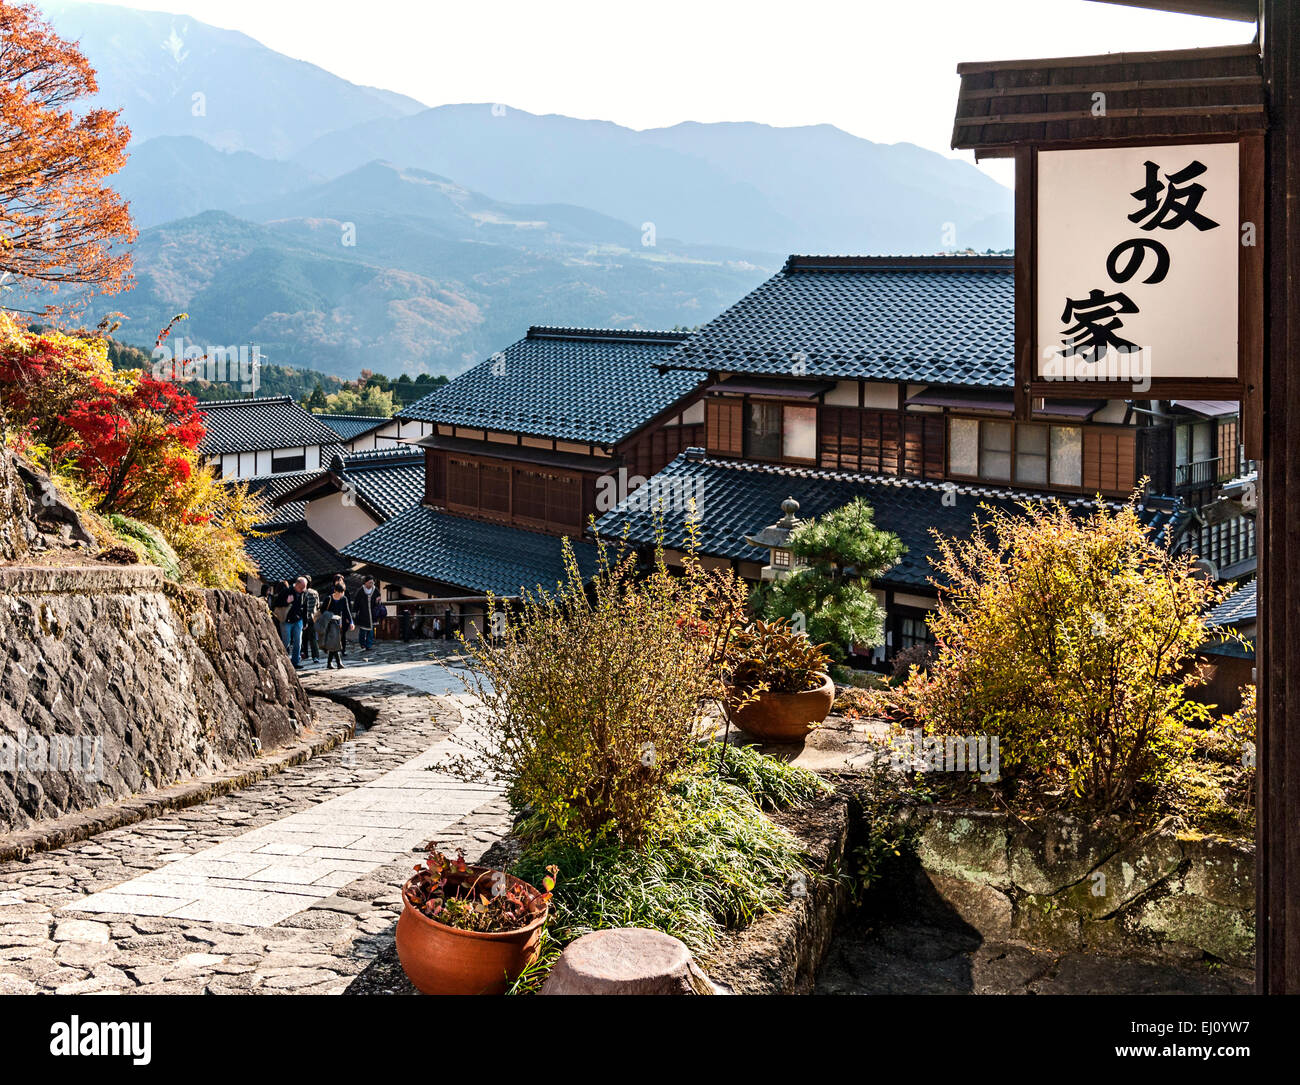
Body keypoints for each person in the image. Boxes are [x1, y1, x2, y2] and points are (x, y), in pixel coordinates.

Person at [319, 584, 354, 670]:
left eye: (342, 592)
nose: (341, 594)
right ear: (335, 591)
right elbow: (322, 610)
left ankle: (329, 663)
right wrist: (331, 615)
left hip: (338, 622)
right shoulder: (329, 598)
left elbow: (347, 611)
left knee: (333, 642)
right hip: (329, 622)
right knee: (335, 641)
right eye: (340, 592)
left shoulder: (344, 599)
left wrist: (351, 622)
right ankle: (338, 662)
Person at [282, 576, 308, 669]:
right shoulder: (287, 591)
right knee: (286, 641)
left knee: (298, 641)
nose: (302, 589)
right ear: (296, 584)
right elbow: (276, 604)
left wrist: (305, 622)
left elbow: (305, 608)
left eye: (304, 587)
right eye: (301, 587)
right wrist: (286, 602)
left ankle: (295, 662)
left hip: (298, 619)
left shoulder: (304, 593)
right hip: (287, 620)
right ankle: (283, 661)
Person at [353, 576, 379, 652]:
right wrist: (354, 611)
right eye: (370, 582)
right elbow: (356, 602)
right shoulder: (361, 590)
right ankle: (362, 643)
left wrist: (378, 600)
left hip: (372, 613)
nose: (371, 584)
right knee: (363, 631)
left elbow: (378, 598)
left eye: (372, 582)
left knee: (371, 631)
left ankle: (369, 645)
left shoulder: (375, 590)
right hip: (363, 613)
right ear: (365, 582)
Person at [300, 576, 321, 664]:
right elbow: (318, 605)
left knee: (303, 637)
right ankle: (315, 656)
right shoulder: (315, 592)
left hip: (303, 617)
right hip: (313, 617)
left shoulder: (302, 593)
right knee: (313, 638)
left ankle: (305, 653)